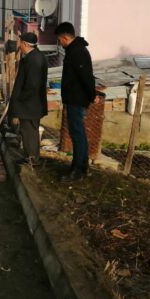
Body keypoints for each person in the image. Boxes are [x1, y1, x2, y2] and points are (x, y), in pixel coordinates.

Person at [54, 22, 97, 182]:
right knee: (78, 134)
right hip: (74, 99)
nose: (59, 43)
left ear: (65, 37)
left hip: (77, 100)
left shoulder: (78, 52)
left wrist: (91, 96)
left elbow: (87, 77)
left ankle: (77, 169)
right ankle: (82, 166)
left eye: (59, 40)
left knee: (77, 134)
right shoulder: (74, 51)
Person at [9, 32, 48, 167]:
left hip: (30, 104)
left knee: (29, 131)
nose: (18, 45)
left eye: (19, 42)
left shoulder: (34, 59)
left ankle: (32, 159)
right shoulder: (35, 56)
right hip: (31, 103)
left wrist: (20, 98)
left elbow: (32, 84)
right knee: (29, 131)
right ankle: (30, 157)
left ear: (25, 44)